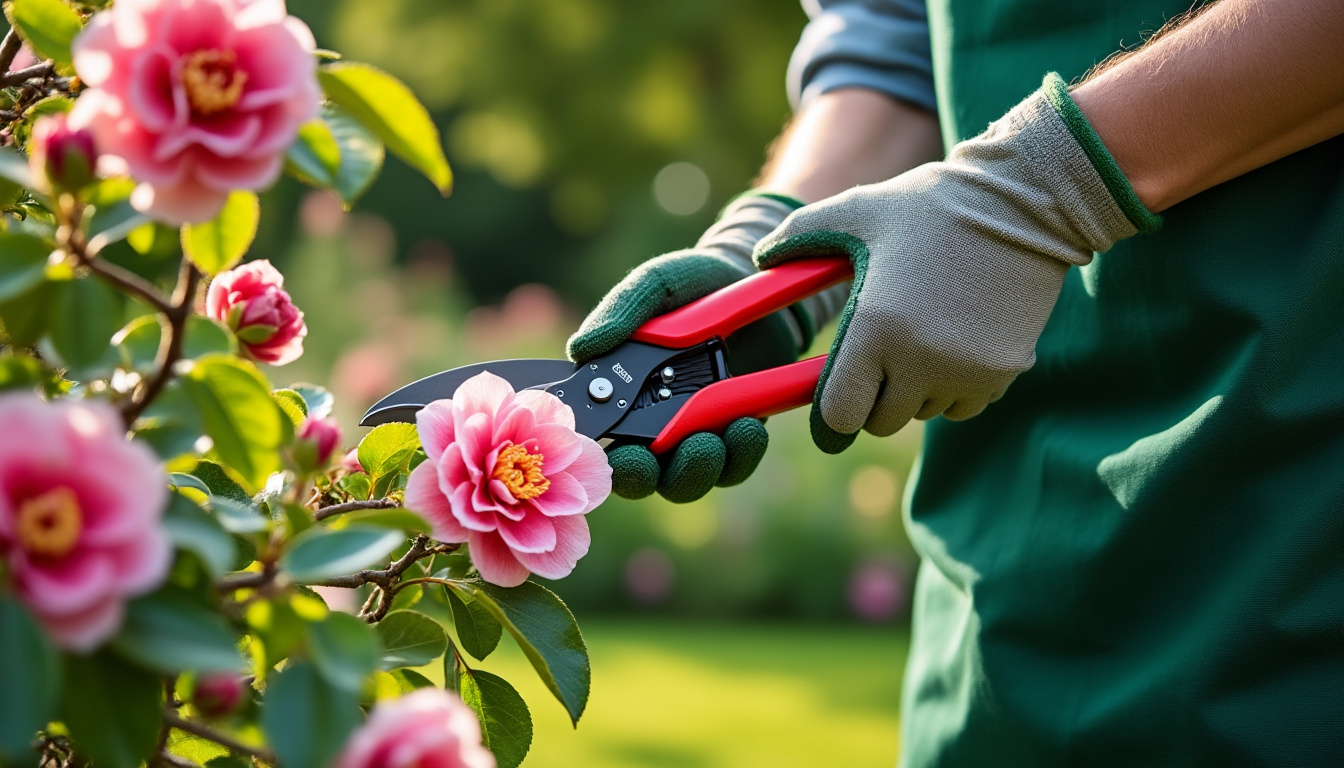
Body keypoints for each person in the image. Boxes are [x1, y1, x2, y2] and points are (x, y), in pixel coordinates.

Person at [570, 0, 1344, 765]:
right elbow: (899, 34)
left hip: (1298, 562)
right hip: (992, 631)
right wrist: (763, 254)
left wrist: (1044, 186)